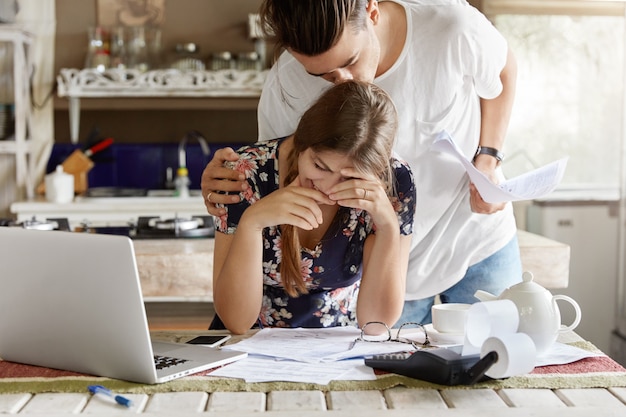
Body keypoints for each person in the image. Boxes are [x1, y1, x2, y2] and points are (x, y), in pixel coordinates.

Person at [202, 0, 522, 326]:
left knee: (502, 354)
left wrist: (489, 156)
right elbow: (271, 169)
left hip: (472, 232)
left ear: (371, 11)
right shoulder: (287, 83)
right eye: (321, 75)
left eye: (351, 61)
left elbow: (503, 70)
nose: (342, 81)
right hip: (382, 261)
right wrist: (227, 181)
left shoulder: (450, 26)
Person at [210, 81, 416, 334]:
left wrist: (387, 227)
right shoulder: (245, 172)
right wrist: (252, 223)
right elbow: (236, 322)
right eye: (320, 166)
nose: (328, 188)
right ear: (301, 142)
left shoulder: (395, 182)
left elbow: (376, 325)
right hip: (248, 344)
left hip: (338, 349)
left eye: (349, 178)